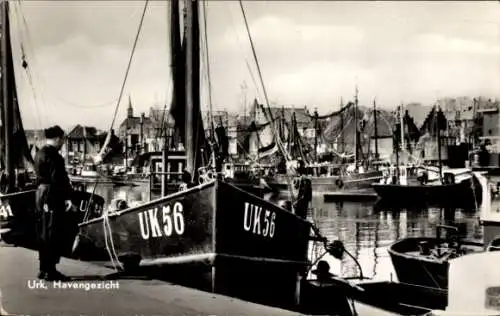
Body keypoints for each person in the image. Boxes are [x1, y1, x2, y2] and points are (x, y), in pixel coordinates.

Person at [34, 125, 73, 281]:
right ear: (57, 138)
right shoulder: (55, 157)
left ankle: (43, 268)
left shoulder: (39, 154)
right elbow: (58, 179)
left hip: (40, 193)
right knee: (53, 230)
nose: (63, 142)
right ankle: (51, 270)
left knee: (43, 230)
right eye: (62, 139)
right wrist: (67, 197)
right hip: (52, 194)